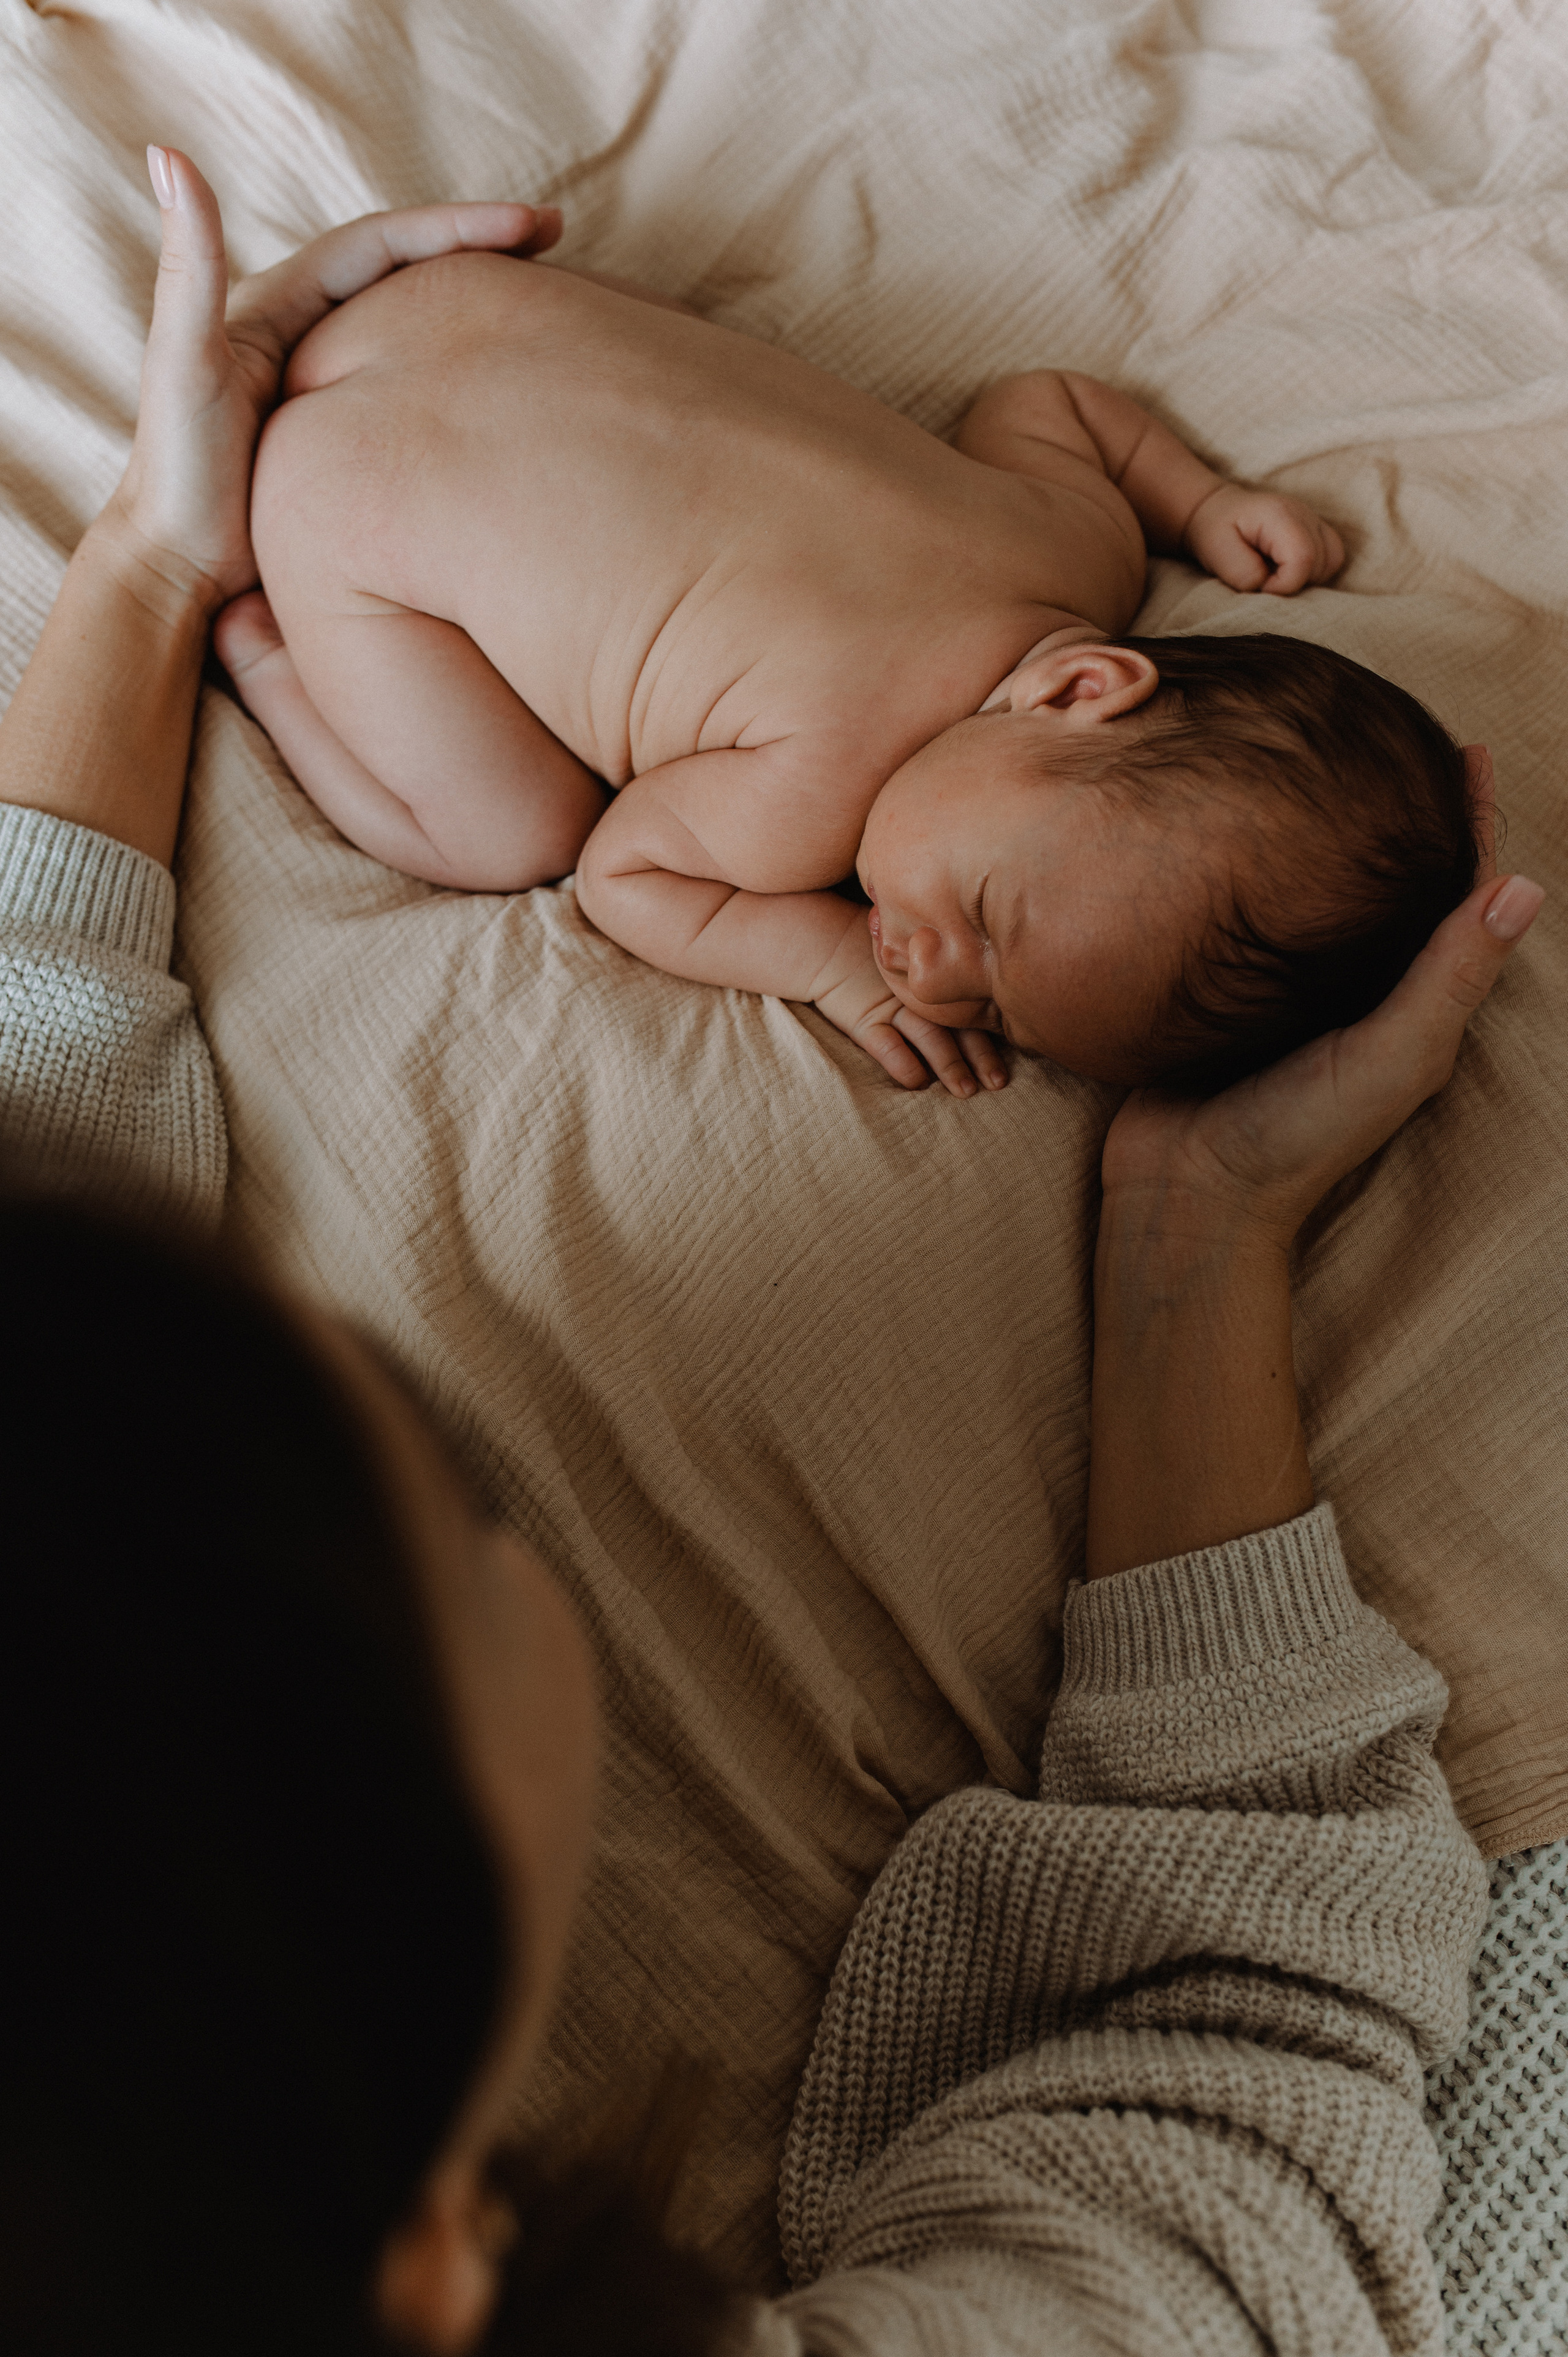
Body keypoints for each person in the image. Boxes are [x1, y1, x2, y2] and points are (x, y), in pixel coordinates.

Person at [0, 148, 1546, 2356]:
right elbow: (1243, 2097)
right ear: (424, 2254)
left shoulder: (1044, 580)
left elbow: (38, 1096)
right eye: (467, 1537)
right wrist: (1192, 1227)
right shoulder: (920, 689)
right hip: (438, 355)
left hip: (382, 443)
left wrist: (158, 558)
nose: (933, 965)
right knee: (516, 826)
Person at [213, 199, 1474, 1100]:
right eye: (983, 920)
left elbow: (1046, 402)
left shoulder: (1084, 547)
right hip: (334, 493)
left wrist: (1195, 501)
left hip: (450, 303)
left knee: (701, 360)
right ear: (1083, 688)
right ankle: (275, 664)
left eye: (992, 1010)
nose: (929, 973)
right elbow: (621, 875)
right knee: (513, 838)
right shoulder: (804, 808)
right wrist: (819, 961)